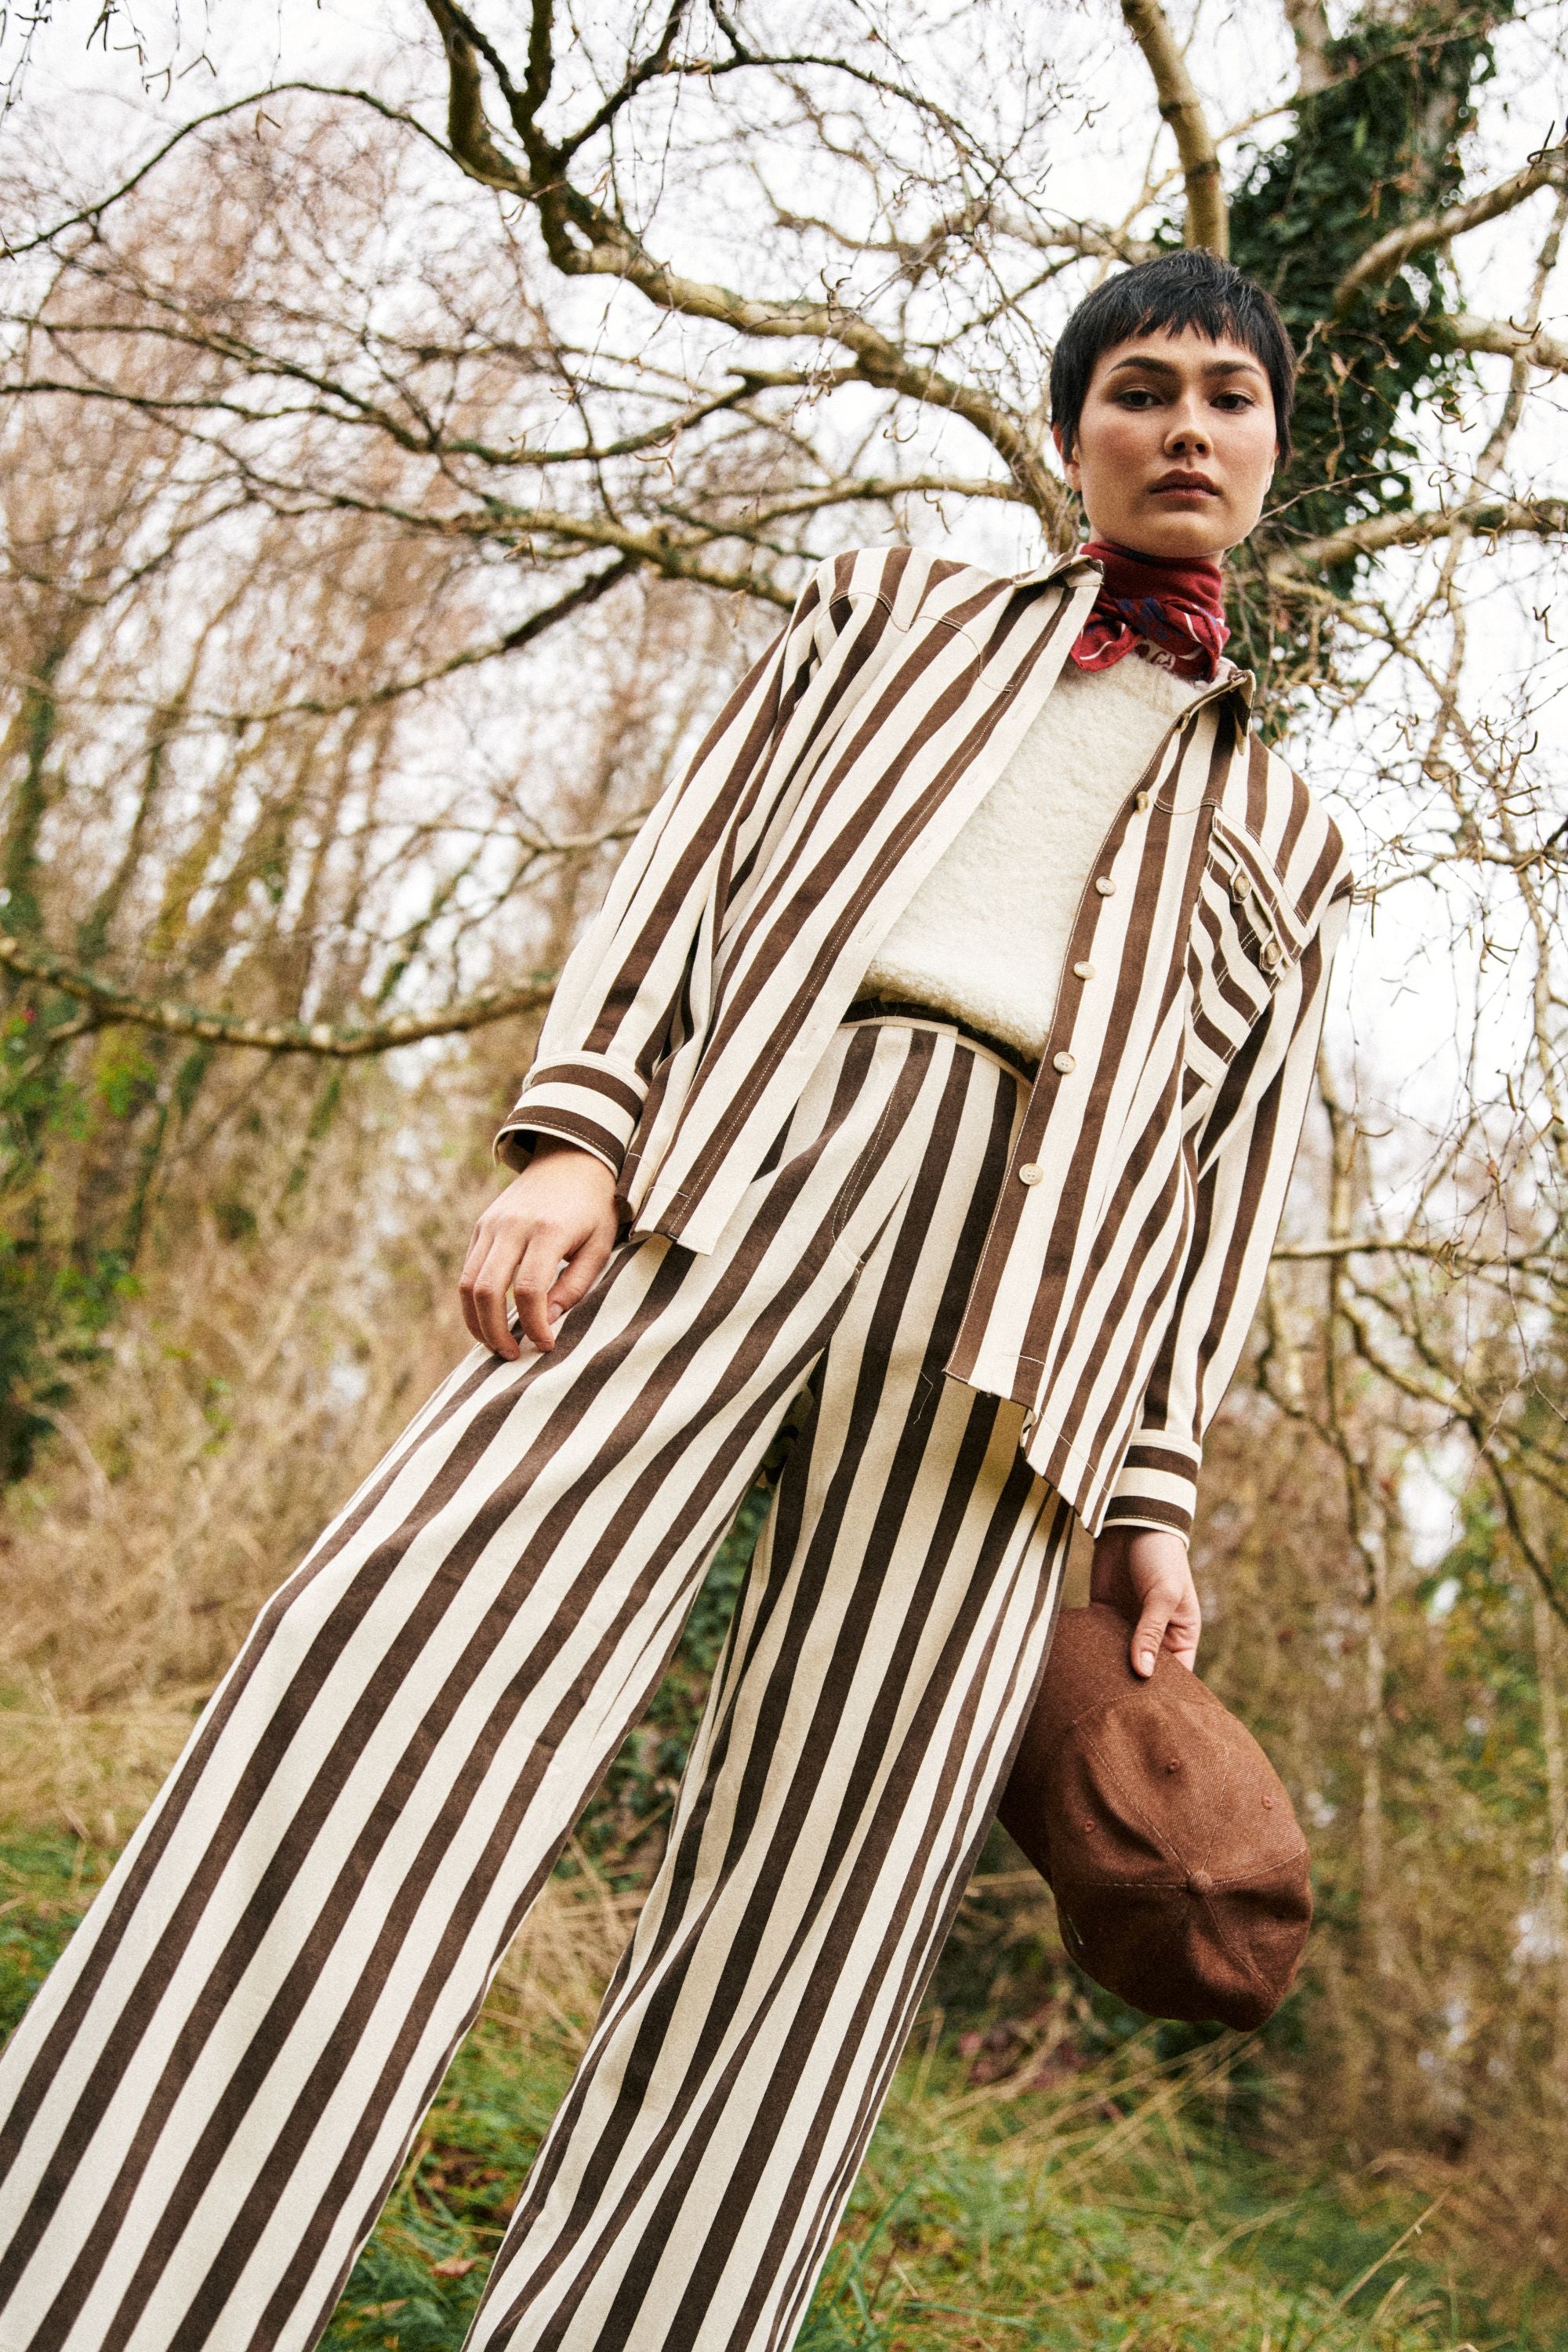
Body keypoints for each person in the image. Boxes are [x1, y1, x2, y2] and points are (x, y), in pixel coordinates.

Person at [0, 250, 1351, 2352]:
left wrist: (1151, 1498)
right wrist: (579, 1135)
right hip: (741, 1173)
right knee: (389, 1651)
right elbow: (685, 864)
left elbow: (1221, 1184)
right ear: (1071, 434)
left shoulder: (1296, 828)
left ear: (1273, 448)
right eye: (1142, 388)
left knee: (827, 1884)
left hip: (1027, 1338)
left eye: (1230, 396)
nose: (1188, 424)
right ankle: (102, 2282)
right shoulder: (885, 611)